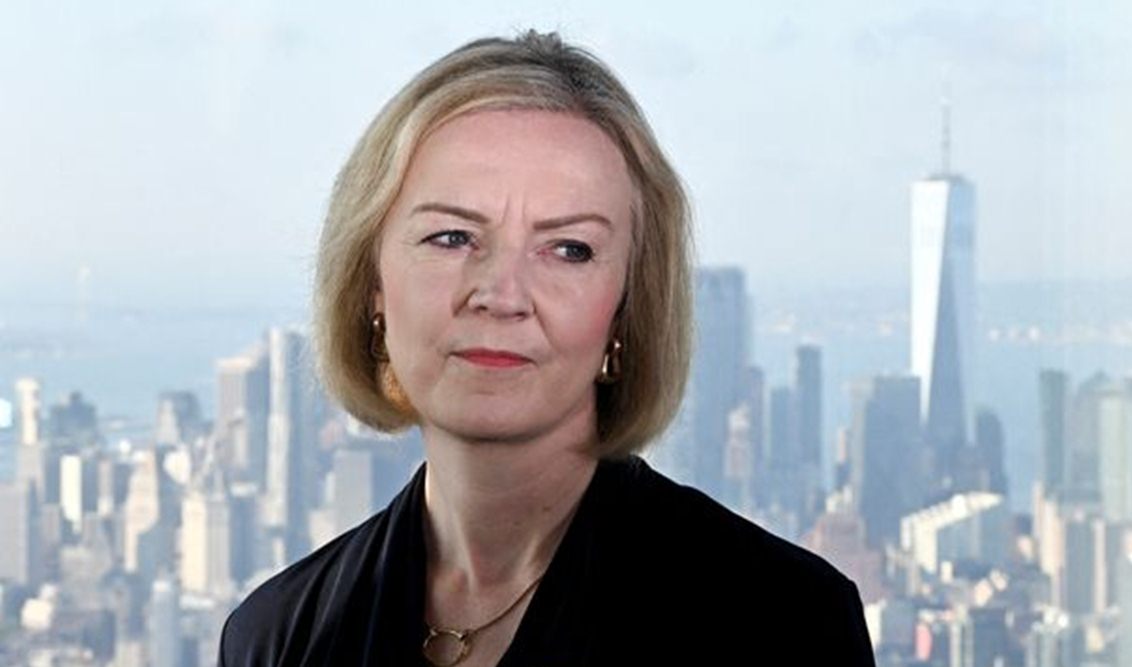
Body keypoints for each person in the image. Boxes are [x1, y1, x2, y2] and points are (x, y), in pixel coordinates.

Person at [218, 30, 875, 666]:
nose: (502, 294)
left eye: (569, 248)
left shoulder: (781, 623)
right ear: (371, 287)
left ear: (626, 308)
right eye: (451, 237)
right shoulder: (277, 636)